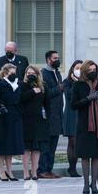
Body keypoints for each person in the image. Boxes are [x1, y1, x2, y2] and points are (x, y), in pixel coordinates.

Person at [71, 60, 98, 194]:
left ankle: (94, 184)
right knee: (85, 155)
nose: (93, 72)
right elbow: (73, 105)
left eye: (95, 70)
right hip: (84, 126)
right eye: (90, 70)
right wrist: (88, 98)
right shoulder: (78, 85)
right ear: (85, 71)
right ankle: (86, 184)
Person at [20, 65, 50, 180]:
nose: (30, 75)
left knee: (37, 149)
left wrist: (48, 118)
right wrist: (32, 91)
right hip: (26, 121)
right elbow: (21, 99)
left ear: (37, 74)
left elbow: (47, 104)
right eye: (28, 73)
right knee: (27, 148)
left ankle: (34, 172)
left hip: (40, 120)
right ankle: (25, 172)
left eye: (32, 73)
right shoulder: (22, 85)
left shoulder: (43, 86)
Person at [0, 63, 24, 181]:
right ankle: (1, 171)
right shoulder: (0, 85)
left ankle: (9, 171)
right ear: (5, 73)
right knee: (3, 145)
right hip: (4, 117)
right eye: (11, 73)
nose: (13, 75)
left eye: (14, 72)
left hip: (15, 116)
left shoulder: (18, 85)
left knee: (11, 145)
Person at [38, 51, 64, 179]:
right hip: (48, 115)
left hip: (57, 115)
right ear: (48, 60)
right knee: (45, 146)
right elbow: (45, 94)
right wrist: (58, 89)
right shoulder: (43, 74)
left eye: (58, 58)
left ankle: (49, 169)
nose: (57, 60)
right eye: (55, 58)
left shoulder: (57, 73)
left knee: (53, 146)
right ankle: (42, 170)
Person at [63, 60, 83, 177]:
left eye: (81, 68)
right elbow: (70, 96)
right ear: (72, 69)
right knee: (73, 142)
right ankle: (72, 168)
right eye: (77, 67)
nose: (79, 70)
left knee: (79, 142)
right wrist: (76, 83)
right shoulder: (67, 82)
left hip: (81, 114)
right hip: (71, 114)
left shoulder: (85, 82)